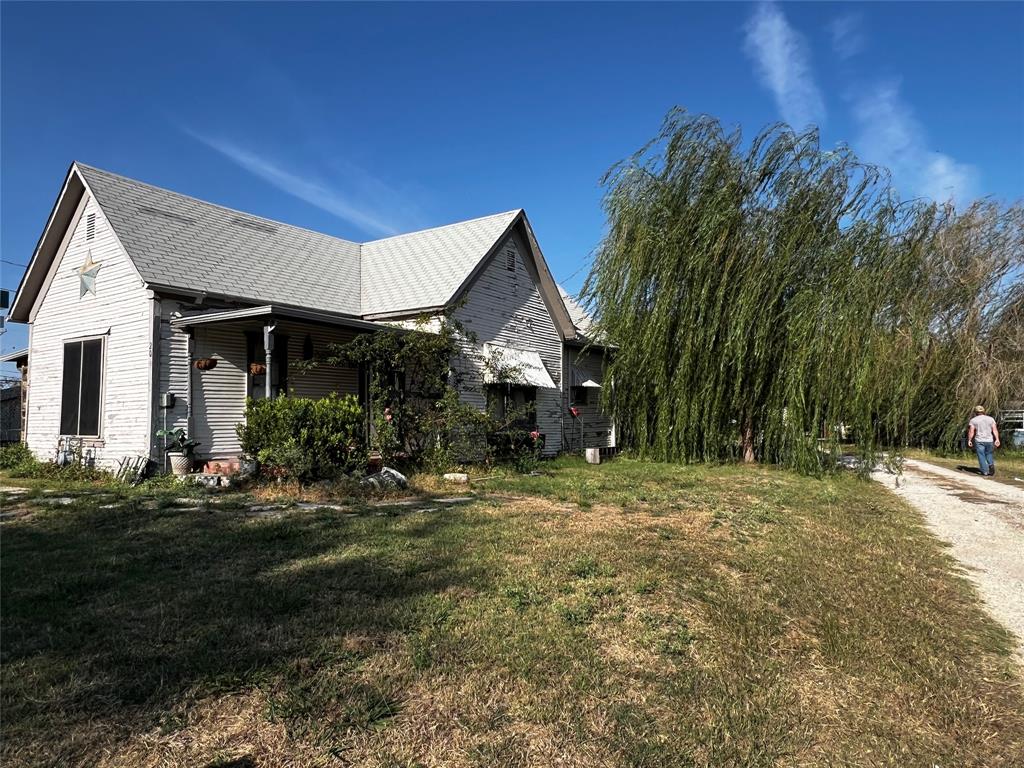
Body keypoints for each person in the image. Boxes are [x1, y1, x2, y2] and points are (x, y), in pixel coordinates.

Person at [967, 405, 1000, 476]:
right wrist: (997, 439)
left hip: (979, 440)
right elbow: (995, 430)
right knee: (989, 454)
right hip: (989, 440)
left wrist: (969, 440)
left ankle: (985, 471)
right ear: (984, 411)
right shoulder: (991, 419)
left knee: (981, 455)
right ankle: (991, 465)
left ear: (975, 412)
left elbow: (971, 431)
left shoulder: (973, 420)